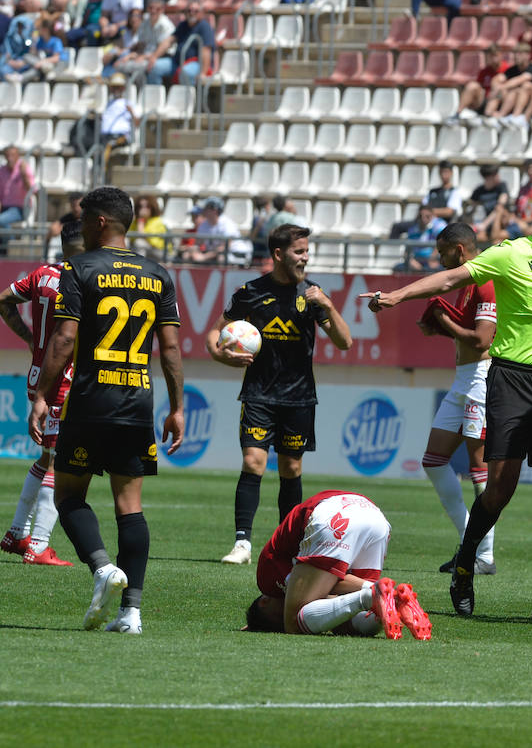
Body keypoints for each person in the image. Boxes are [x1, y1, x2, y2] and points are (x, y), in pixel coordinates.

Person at [362, 188, 532, 623]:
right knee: (499, 492)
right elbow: (450, 279)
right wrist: (398, 296)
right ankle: (466, 563)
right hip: (509, 381)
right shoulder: (510, 255)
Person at [28, 187, 184, 634]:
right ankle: (131, 613)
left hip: (92, 400)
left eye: (83, 217)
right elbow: (170, 349)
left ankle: (101, 568)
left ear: (98, 222)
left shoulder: (79, 268)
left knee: (69, 494)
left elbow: (62, 340)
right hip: (137, 402)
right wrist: (176, 407)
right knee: (129, 505)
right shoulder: (157, 274)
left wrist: (41, 394)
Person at [207, 223, 353, 566]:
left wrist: (328, 306)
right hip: (258, 393)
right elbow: (214, 334)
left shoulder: (313, 294)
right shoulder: (249, 292)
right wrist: (222, 355)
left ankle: (287, 546)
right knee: (253, 462)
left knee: (290, 467)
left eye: (306, 251)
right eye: (299, 251)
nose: (305, 257)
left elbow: (345, 342)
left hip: (300, 397)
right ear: (278, 254)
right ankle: (242, 544)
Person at [0, 227, 86, 568]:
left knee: (47, 458)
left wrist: (30, 339)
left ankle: (18, 534)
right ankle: (40, 546)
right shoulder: (84, 282)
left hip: (37, 374)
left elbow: (2, 301)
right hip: (62, 380)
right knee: (59, 461)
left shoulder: (42, 274)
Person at [418, 223, 498, 576]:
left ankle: (484, 557)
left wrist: (442, 320)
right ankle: (472, 543)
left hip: (481, 379)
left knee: (478, 464)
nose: (440, 257)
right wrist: (442, 322)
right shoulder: (468, 285)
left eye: (443, 251)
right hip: (463, 380)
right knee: (433, 461)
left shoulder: (484, 283)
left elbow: (481, 341)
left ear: (460, 250)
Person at [243, 490, 430, 639]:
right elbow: (329, 581)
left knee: (294, 622)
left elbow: (324, 582)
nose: (283, 615)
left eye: (278, 617)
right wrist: (375, 589)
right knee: (346, 624)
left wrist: (369, 591)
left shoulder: (266, 579)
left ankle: (372, 595)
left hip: (333, 517)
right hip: (373, 516)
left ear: (264, 601)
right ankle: (395, 599)